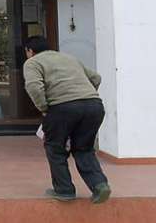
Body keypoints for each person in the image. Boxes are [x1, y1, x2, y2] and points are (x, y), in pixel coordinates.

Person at [23, 36, 111, 204]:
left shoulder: (33, 62)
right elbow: (96, 78)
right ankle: (100, 185)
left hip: (62, 108)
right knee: (84, 148)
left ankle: (64, 190)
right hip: (94, 106)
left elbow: (34, 86)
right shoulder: (68, 58)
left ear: (29, 50)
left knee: (55, 147)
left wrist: (44, 108)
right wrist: (84, 95)